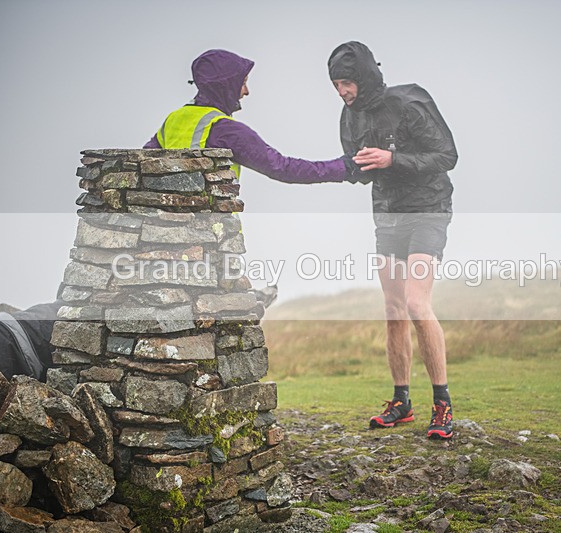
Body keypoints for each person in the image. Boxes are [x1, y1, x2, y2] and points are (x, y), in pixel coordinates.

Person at [328, 41, 458, 439]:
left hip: (427, 208)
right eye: (335, 84)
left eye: (347, 82)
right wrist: (346, 169)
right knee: (393, 307)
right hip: (387, 212)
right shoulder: (348, 118)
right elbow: (362, 169)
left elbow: (447, 156)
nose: (342, 92)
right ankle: (401, 401)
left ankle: (443, 403)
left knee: (418, 304)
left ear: (364, 77)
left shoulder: (410, 102)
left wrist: (392, 159)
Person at [144, 49, 356, 184]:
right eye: (243, 83)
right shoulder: (225, 130)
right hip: (212, 236)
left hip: (164, 233)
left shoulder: (174, 118)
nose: (246, 91)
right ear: (226, 86)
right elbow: (282, 168)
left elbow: (144, 163)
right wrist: (342, 167)